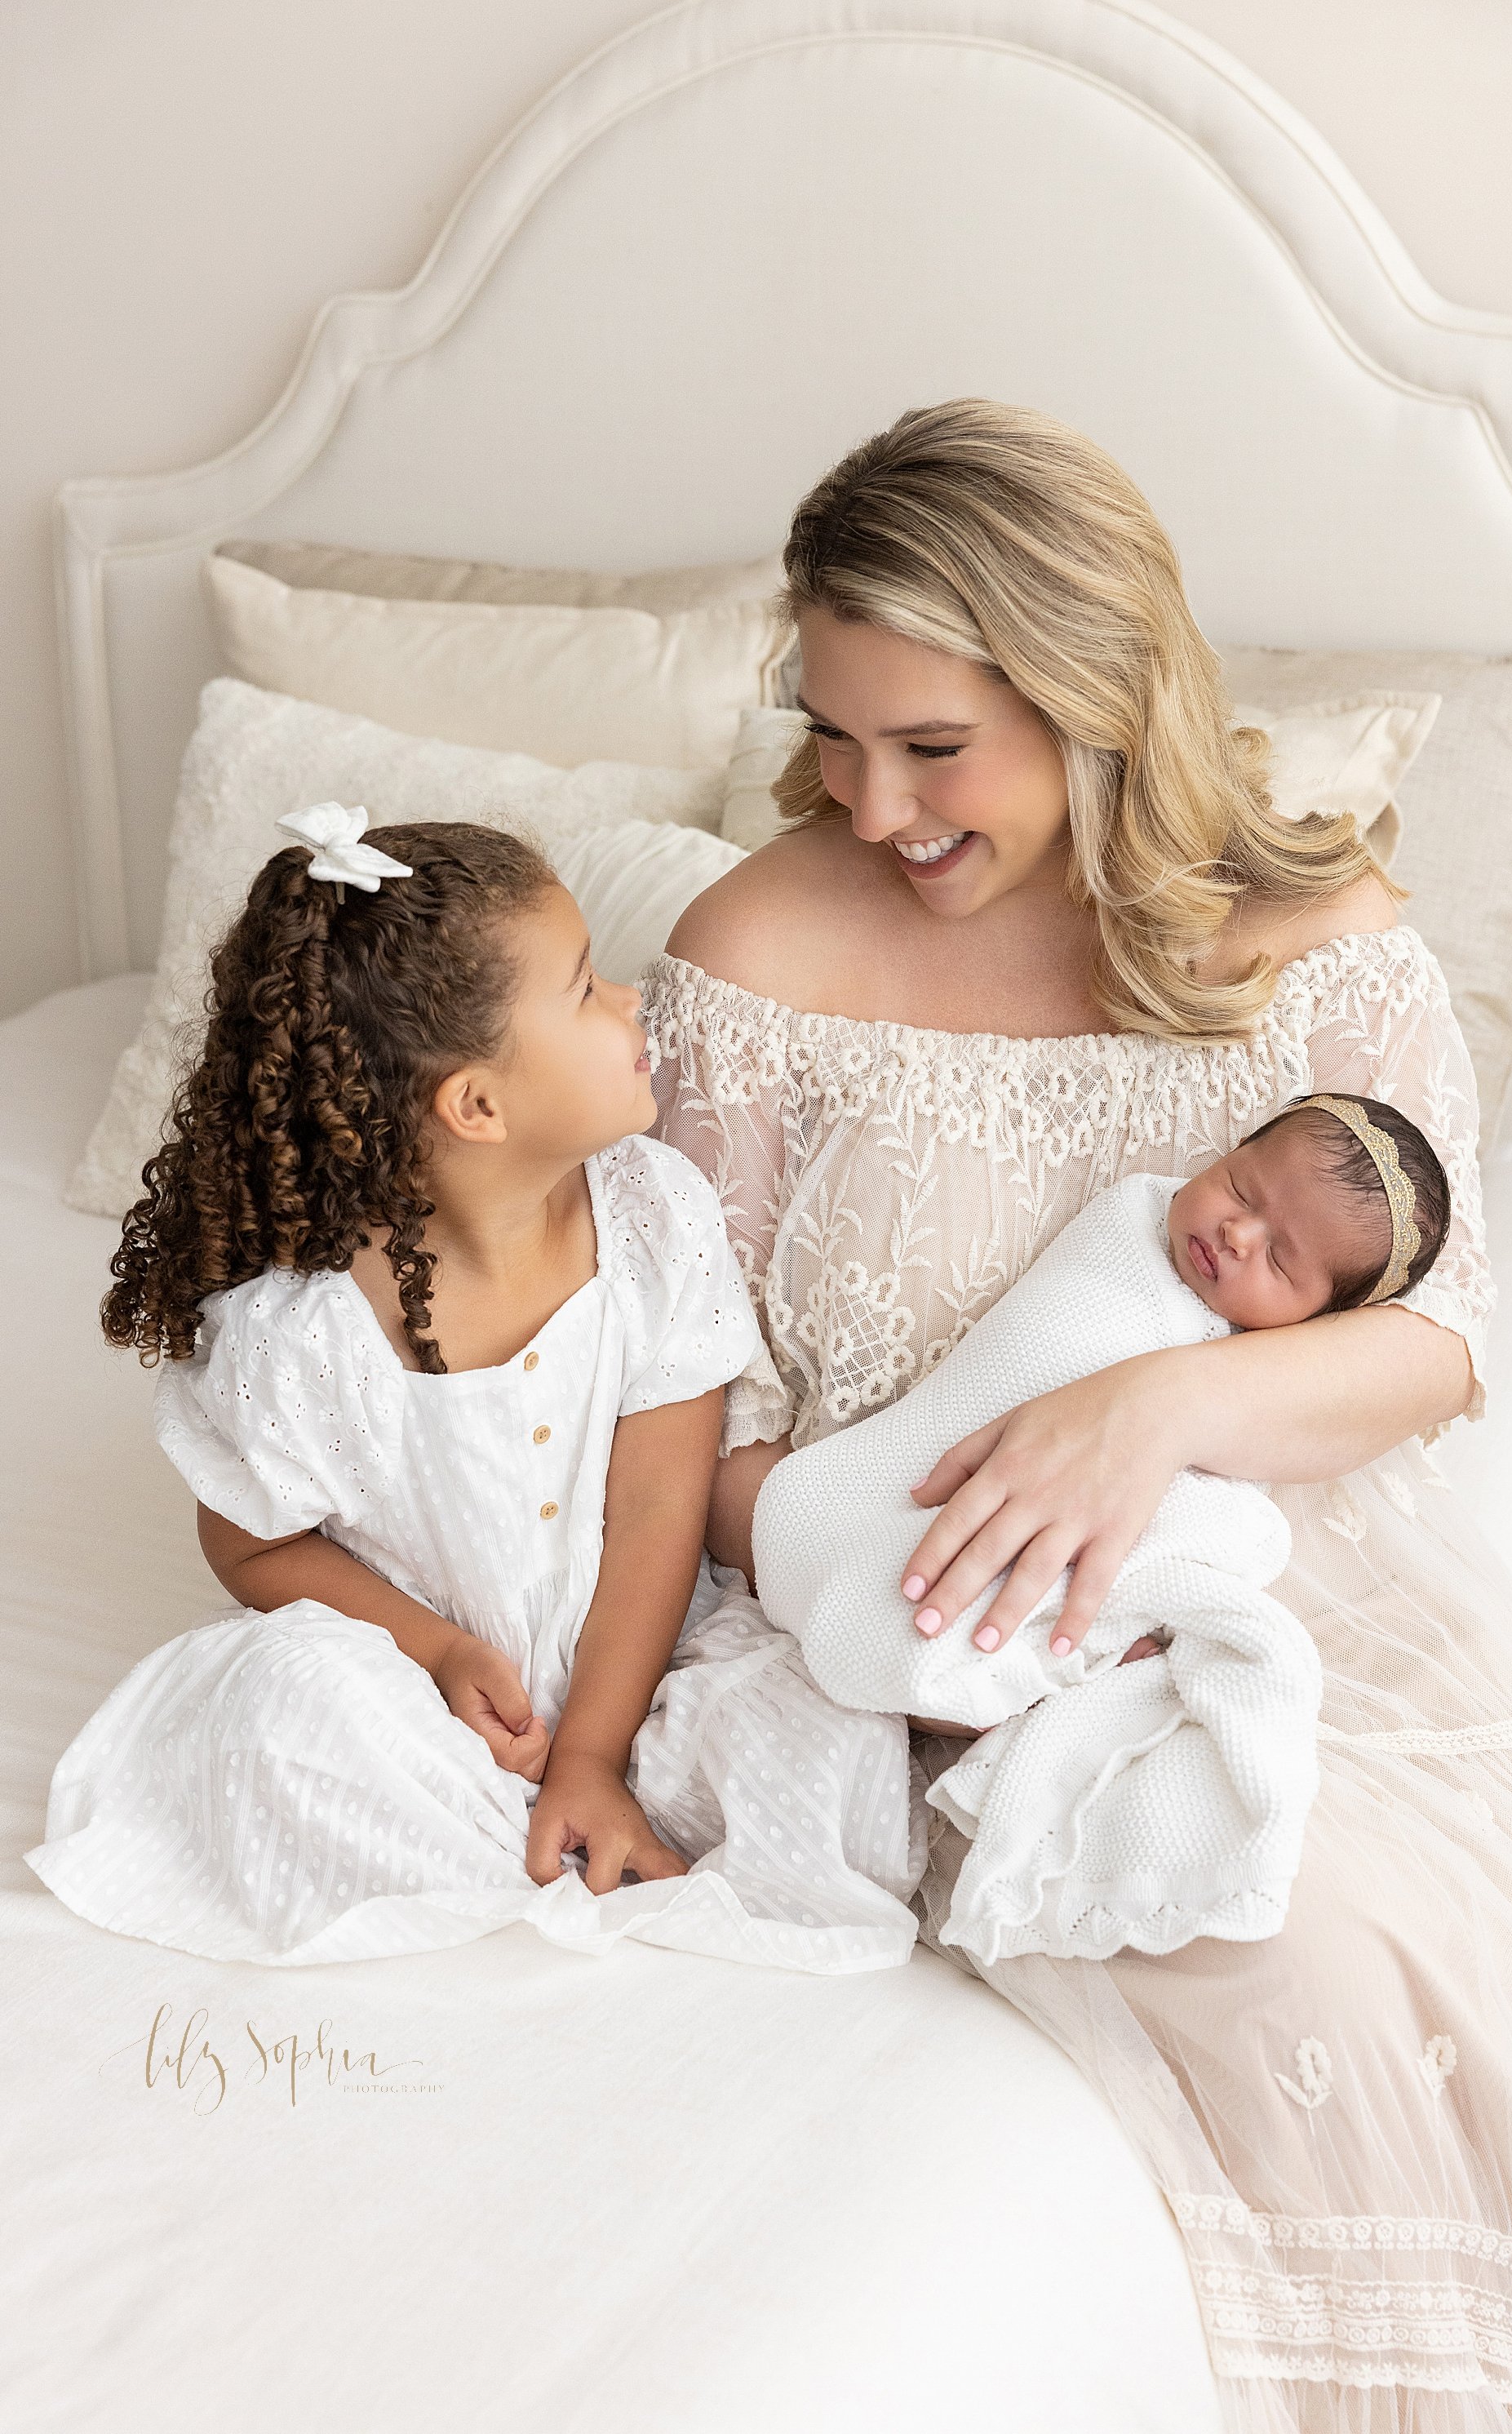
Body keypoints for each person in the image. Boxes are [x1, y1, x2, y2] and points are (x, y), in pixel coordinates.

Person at [647, 401, 1512, 2432]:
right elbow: (674, 1406)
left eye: (934, 744)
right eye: (832, 733)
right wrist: (895, 1579)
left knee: (1337, 1939)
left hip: (1252, 1594)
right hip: (884, 1627)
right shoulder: (746, 955)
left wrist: (1151, 1410)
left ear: (1096, 692)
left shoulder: (1314, 944)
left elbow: (1437, 1338)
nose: (872, 801)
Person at [25, 811, 920, 1973]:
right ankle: (512, 1848)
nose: (635, 1003)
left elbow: (660, 1511)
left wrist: (593, 1749)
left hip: (644, 1662)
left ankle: (585, 1811)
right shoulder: (301, 1330)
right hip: (422, 1690)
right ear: (477, 1107)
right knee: (281, 1711)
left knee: (828, 1722)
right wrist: (438, 1654)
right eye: (589, 987)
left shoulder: (655, 1221)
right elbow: (253, 1550)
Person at [752, 1097, 1452, 1967]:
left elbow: (1208, 1510)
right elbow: (1031, 1352)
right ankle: (867, 1568)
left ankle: (1009, 1654)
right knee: (835, 1523)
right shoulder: (1126, 1226)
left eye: (1279, 1258)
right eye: (1241, 1188)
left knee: (1234, 1538)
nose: (1236, 1234)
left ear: (1314, 1322)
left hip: (1062, 1535)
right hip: (908, 1480)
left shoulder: (1249, 1376)